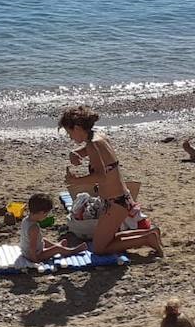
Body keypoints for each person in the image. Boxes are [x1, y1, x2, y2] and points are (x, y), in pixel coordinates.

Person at [60, 106, 164, 257]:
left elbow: (101, 176)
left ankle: (147, 239)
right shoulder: (98, 137)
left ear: (77, 128)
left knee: (99, 248)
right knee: (105, 240)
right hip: (122, 198)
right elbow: (90, 151)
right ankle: (149, 234)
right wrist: (74, 153)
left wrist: (75, 180)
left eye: (69, 133)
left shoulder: (92, 144)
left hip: (115, 203)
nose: (70, 137)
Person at [19, 193, 87, 263]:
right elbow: (32, 247)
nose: (46, 216)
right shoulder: (34, 228)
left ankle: (58, 245)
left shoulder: (26, 220)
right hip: (35, 255)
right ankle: (72, 251)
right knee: (57, 249)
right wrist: (35, 260)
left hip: (25, 251)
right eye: (46, 214)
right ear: (42, 213)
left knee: (43, 240)